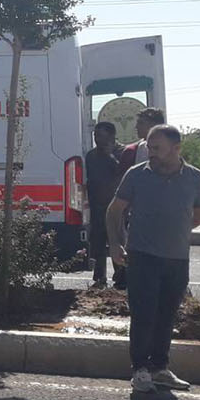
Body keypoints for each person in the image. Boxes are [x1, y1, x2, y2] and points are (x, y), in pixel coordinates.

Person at [107, 124, 200, 393]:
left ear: (176, 149)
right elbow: (114, 211)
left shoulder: (196, 178)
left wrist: (178, 228)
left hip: (177, 258)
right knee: (144, 315)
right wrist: (115, 244)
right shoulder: (136, 175)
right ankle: (140, 369)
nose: (150, 153)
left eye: (157, 148)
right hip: (142, 257)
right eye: (149, 147)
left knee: (167, 316)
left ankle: (160, 369)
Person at [112, 107, 166, 289]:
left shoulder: (174, 150)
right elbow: (123, 188)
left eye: (141, 123)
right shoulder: (133, 151)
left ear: (154, 125)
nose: (136, 128)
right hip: (137, 216)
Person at [84, 121, 121, 288]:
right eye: (95, 136)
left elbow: (124, 174)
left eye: (101, 136)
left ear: (112, 136)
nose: (97, 139)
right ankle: (99, 278)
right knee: (98, 243)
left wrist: (110, 156)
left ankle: (121, 278)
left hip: (116, 208)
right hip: (97, 207)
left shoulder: (122, 152)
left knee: (117, 242)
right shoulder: (91, 156)